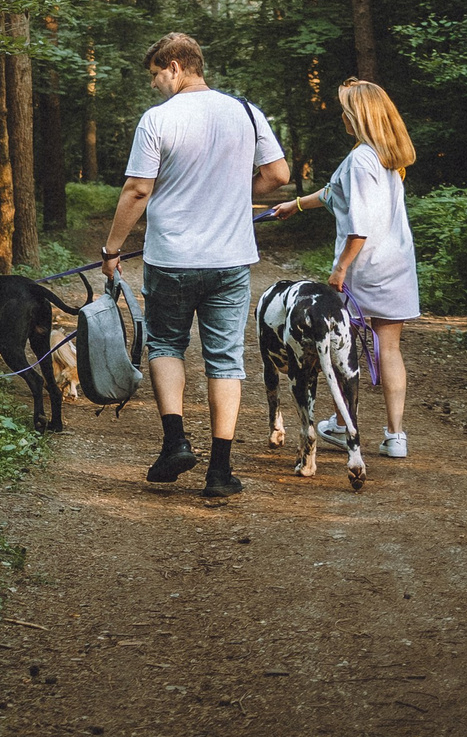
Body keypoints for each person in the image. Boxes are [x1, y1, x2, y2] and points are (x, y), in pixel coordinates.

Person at [100, 33, 289, 499]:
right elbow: (278, 176)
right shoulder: (246, 112)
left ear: (176, 66)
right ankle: (220, 473)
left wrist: (111, 250)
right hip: (230, 261)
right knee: (225, 359)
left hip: (172, 260)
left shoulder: (158, 120)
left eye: (156, 76)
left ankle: (175, 444)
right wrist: (229, 193)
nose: (155, 87)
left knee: (166, 344)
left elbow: (137, 190)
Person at [269, 78, 419, 458]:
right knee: (391, 347)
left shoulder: (359, 159)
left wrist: (339, 271)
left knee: (340, 348)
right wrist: (296, 204)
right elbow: (335, 193)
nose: (342, 116)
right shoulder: (388, 156)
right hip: (398, 265)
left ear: (361, 115)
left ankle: (340, 425)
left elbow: (358, 227)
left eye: (347, 110)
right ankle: (395, 436)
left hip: (363, 268)